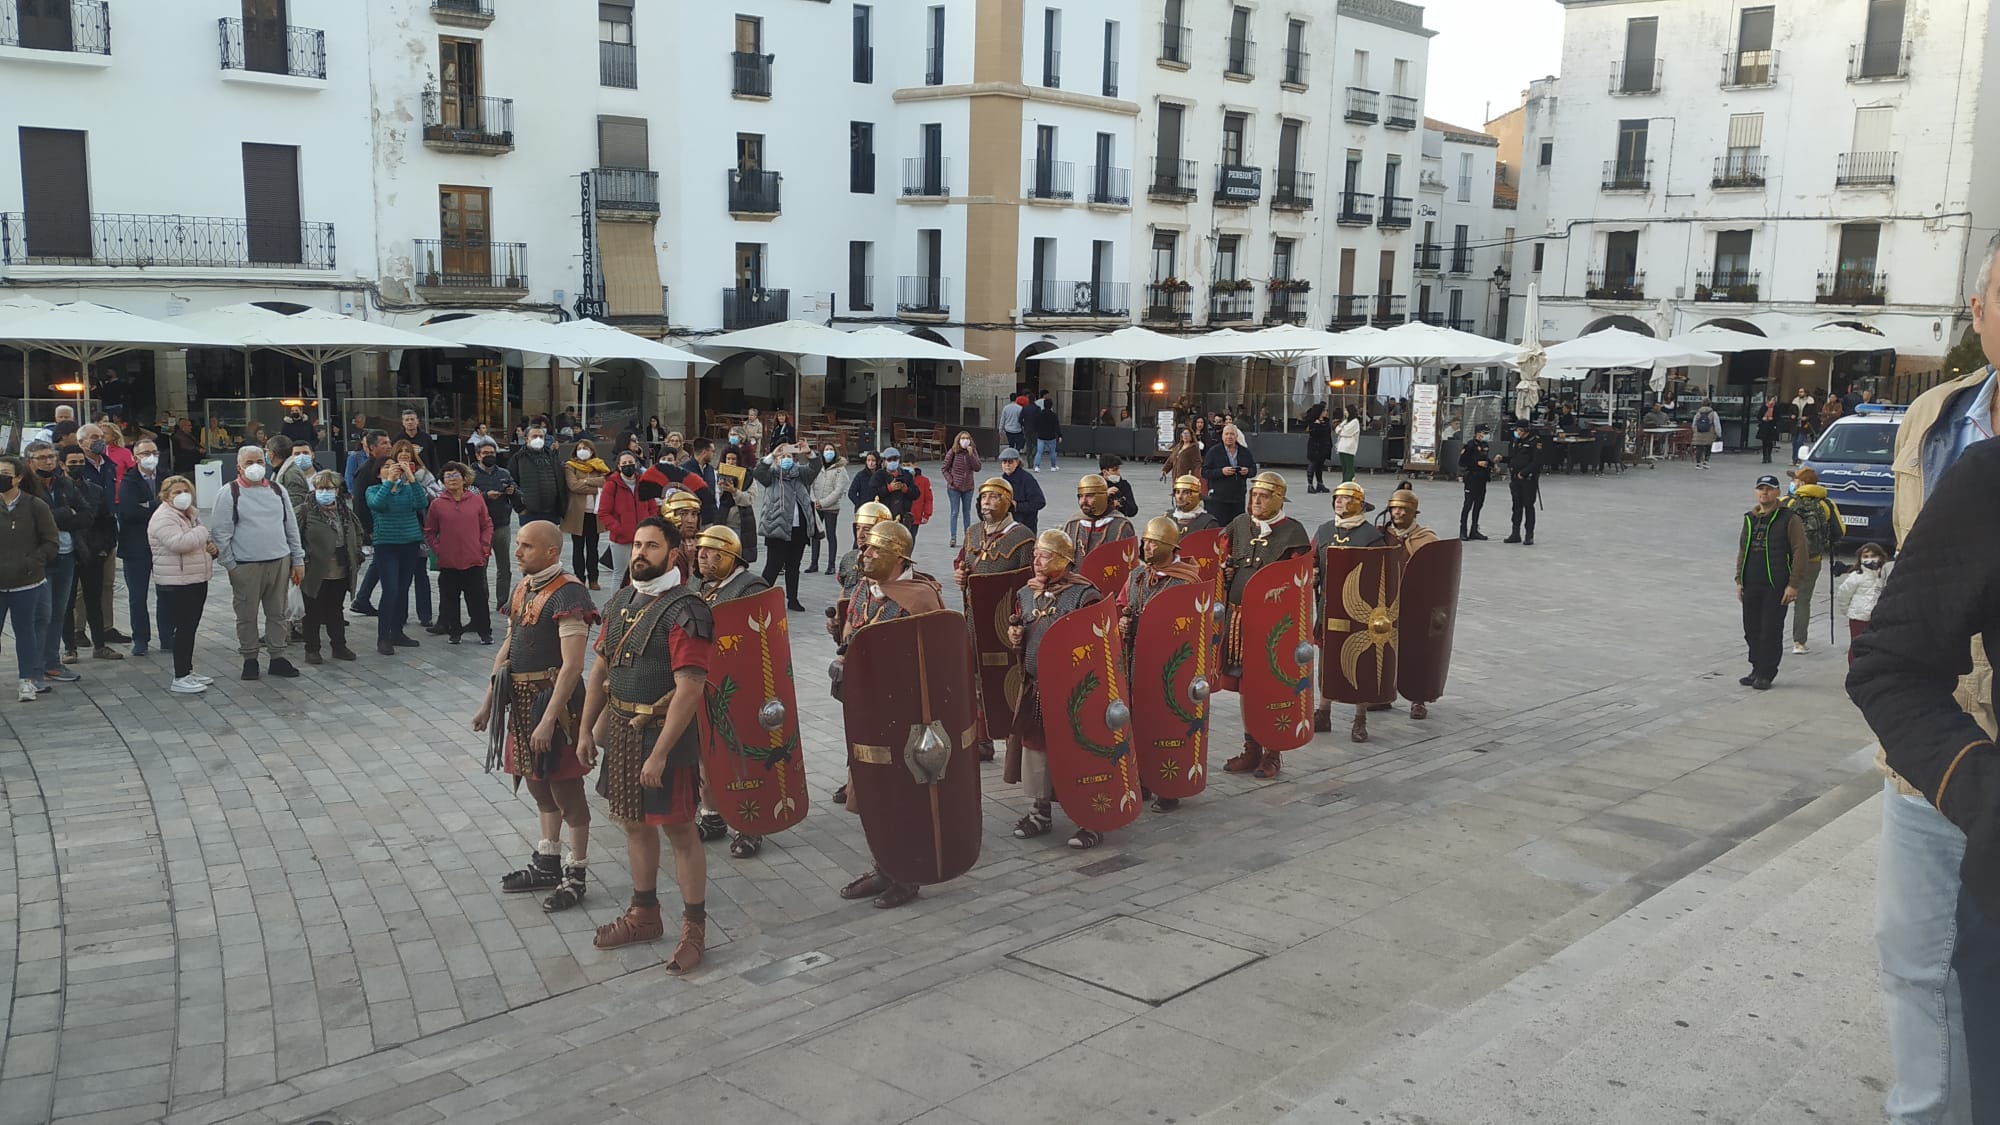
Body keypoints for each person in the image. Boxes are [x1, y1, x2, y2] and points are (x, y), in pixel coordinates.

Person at [576, 516, 714, 973]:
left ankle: (694, 927)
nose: (639, 552)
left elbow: (690, 689)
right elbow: (599, 671)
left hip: (664, 738)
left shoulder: (688, 610)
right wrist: (585, 730)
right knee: (634, 824)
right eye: (637, 544)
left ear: (673, 554)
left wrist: (659, 753)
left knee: (679, 830)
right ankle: (644, 914)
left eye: (651, 546)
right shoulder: (619, 601)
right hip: (620, 731)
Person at [474, 520, 599, 914]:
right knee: (538, 786)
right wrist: (489, 700)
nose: (517, 551)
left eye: (526, 546)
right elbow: (509, 648)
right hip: (522, 702)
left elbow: (573, 665)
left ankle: (575, 873)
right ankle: (547, 861)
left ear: (551, 552)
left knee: (566, 792)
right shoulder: (524, 587)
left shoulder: (570, 594)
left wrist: (549, 719)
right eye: (518, 544)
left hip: (554, 708)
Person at [830, 520, 944, 906]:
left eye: (875, 550)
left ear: (899, 557)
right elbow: (854, 633)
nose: (865, 554)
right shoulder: (864, 587)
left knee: (901, 794)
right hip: (867, 707)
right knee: (872, 790)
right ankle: (884, 865)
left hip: (906, 714)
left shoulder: (921, 598)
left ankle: (907, 873)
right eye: (865, 549)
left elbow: (935, 662)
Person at [1007, 529, 1106, 847]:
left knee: (1078, 753)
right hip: (1038, 687)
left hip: (1075, 690)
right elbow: (1023, 632)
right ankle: (1040, 813)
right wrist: (1016, 639)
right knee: (1037, 750)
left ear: (1064, 560)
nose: (1036, 560)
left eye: (1045, 555)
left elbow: (1097, 642)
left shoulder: (1085, 595)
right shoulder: (1025, 593)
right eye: (1035, 553)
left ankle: (1090, 820)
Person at [1219, 472, 1311, 778]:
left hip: (1275, 625)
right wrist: (1225, 575)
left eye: (1263, 496)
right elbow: (1221, 558)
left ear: (1279, 499)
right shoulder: (1238, 525)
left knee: (1273, 681)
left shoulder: (1293, 533)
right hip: (1239, 618)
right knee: (1247, 684)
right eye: (1253, 495)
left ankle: (1273, 751)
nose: (1255, 501)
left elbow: (1300, 580)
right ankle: (1251, 749)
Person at [691, 525, 772, 857]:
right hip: (703, 681)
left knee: (743, 756)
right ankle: (712, 816)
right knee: (704, 754)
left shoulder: (751, 587)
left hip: (742, 687)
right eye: (700, 551)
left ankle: (751, 826)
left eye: (709, 552)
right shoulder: (699, 584)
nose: (702, 556)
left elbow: (762, 641)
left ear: (728, 557)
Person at [1116, 517, 1203, 811]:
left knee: (1169, 723)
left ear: (1168, 545)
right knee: (1139, 721)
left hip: (1171, 667)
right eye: (1146, 541)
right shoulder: (1137, 576)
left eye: (1153, 542)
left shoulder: (1185, 581)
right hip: (1137, 661)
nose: (1147, 546)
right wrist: (1123, 622)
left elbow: (1193, 627)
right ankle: (1142, 777)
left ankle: (1170, 784)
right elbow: (1121, 605)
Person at [211, 444, 307, 680]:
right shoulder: (229, 492)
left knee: (278, 613)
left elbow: (290, 526)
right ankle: (250, 658)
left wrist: (297, 559)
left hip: (279, 561)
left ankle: (278, 656)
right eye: (249, 463)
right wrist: (231, 566)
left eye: (259, 462)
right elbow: (220, 534)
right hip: (246, 565)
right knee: (247, 614)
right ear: (239, 467)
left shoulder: (277, 490)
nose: (255, 467)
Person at [956, 478, 1035, 762]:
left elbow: (1028, 584)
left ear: (1008, 502)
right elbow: (963, 562)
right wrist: (961, 577)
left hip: (1006, 624)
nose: (986, 503)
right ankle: (982, 739)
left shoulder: (1023, 537)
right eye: (983, 498)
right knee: (977, 679)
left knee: (1010, 681)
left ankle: (1018, 744)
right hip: (974, 619)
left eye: (993, 497)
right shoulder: (973, 532)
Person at [1311, 481, 1386, 738]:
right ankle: (1323, 712)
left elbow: (1380, 576)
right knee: (1326, 663)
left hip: (1359, 612)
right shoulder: (1323, 531)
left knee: (1360, 664)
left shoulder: (1372, 536)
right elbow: (1312, 561)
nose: (1339, 503)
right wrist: (1313, 573)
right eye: (1337, 499)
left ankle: (1360, 718)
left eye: (1346, 499)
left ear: (1360, 504)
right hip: (1329, 607)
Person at [1734, 474, 1806, 691]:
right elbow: (1742, 550)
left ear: (1777, 492)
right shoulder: (1750, 518)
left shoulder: (1789, 519)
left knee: (1770, 629)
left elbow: (1800, 551)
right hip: (1751, 583)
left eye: (1769, 489)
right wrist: (1739, 580)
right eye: (1760, 489)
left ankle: (1766, 673)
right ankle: (1755, 668)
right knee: (1751, 629)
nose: (1764, 492)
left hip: (1776, 584)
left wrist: (1793, 584)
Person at [147, 475, 217, 694]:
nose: (182, 496)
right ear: (165, 496)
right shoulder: (163, 517)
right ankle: (180, 676)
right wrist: (203, 532)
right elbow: (179, 543)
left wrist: (211, 547)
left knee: (191, 627)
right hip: (176, 582)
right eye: (176, 492)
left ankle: (187, 669)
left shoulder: (190, 515)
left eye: (185, 491)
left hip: (195, 577)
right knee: (183, 628)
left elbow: (200, 543)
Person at [0, 455, 58, 703]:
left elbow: (50, 542)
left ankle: (27, 680)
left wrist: (32, 562)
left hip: (27, 582)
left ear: (19, 477)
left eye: (5, 472)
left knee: (26, 632)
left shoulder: (36, 506)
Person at [27, 443, 86, 680]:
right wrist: (65, 513)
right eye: (41, 458)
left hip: (67, 555)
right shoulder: (24, 488)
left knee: (59, 612)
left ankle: (52, 662)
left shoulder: (65, 484)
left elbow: (86, 514)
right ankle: (34, 666)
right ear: (29, 461)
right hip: (40, 559)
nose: (48, 462)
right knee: (42, 614)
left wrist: (58, 517)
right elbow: (31, 522)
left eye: (51, 457)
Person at [364, 451, 430, 657]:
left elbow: (422, 503)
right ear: (378, 473)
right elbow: (377, 505)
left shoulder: (407, 489)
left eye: (395, 466)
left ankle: (397, 632)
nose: (392, 468)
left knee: (403, 589)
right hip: (386, 545)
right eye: (386, 467)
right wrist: (388, 482)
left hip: (409, 543)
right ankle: (383, 636)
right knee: (390, 589)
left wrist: (411, 480)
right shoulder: (373, 489)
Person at [294, 470, 364, 664]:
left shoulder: (345, 511)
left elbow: (357, 533)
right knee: (313, 612)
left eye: (329, 488)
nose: (325, 491)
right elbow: (294, 537)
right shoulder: (304, 511)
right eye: (321, 488)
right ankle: (312, 649)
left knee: (335, 610)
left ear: (337, 490)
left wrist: (356, 552)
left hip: (341, 570)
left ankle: (339, 646)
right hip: (314, 571)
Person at [425, 462, 495, 645]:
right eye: (447, 476)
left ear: (464, 479)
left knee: (478, 599)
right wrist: (438, 550)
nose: (452, 480)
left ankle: (484, 632)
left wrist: (484, 547)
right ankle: (454, 632)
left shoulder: (476, 499)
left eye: (455, 475)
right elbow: (430, 531)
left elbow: (487, 525)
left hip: (474, 559)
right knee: (450, 599)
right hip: (448, 561)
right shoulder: (437, 504)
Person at [71, 426, 125, 655]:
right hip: (85, 536)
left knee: (106, 584)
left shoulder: (108, 465)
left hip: (107, 529)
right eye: (94, 437)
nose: (100, 441)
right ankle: (78, 629)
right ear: (81, 442)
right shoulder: (77, 467)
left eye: (102, 437)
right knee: (83, 589)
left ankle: (106, 627)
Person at [1781, 467, 1844, 655]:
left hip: (1784, 558)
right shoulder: (1827, 504)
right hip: (1812, 559)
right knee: (1803, 600)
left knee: (1776, 597)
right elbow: (1840, 530)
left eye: (1795, 480)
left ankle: (1770, 636)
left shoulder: (1787, 502)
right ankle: (1799, 643)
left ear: (1800, 483)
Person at [472, 442, 518, 610]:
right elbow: (468, 495)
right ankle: (482, 600)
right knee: (480, 566)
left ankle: (502, 601)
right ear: (478, 455)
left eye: (492, 452)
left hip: (502, 524)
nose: (489, 455)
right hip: (480, 527)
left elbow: (516, 491)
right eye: (485, 453)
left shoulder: (504, 473)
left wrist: (513, 491)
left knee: (504, 566)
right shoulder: (471, 474)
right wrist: (485, 496)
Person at [561, 439, 609, 589]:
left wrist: (586, 482)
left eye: (586, 448)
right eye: (580, 448)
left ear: (592, 450)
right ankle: (579, 578)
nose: (583, 450)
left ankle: (593, 578)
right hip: (577, 513)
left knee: (593, 547)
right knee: (578, 547)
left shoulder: (599, 465)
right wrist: (595, 484)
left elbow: (606, 482)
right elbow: (573, 486)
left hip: (594, 514)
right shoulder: (570, 466)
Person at [1834, 542, 1893, 665]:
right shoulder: (1856, 576)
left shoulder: (1884, 574)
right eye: (1865, 556)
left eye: (1873, 556)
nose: (1870, 559)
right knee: (1857, 645)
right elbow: (1843, 594)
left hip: (1878, 618)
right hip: (1859, 617)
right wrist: (1848, 610)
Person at [599, 450, 644, 586]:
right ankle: (615, 606)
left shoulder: (643, 483)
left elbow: (651, 506)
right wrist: (619, 529)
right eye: (624, 463)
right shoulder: (611, 485)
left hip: (642, 537)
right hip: (621, 539)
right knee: (620, 575)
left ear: (636, 464)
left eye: (630, 462)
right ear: (619, 466)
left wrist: (648, 524)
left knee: (641, 574)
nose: (628, 465)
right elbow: (603, 513)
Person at [1063, 473, 1136, 557]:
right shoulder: (1073, 523)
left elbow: (1128, 561)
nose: (1083, 501)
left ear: (1102, 497)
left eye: (1089, 496)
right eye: (1080, 496)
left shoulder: (1121, 525)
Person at [509, 426, 567, 528]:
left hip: (551, 511)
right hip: (529, 512)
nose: (538, 439)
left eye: (541, 436)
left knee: (551, 541)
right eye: (535, 436)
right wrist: (519, 508)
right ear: (527, 439)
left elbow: (560, 480)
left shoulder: (551, 456)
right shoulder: (518, 458)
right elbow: (511, 484)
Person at [1202, 423, 1257, 525]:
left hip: (1238, 499)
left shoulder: (1244, 452)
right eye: (1226, 434)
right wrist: (1221, 471)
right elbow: (1205, 472)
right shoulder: (1214, 451)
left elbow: (1253, 470)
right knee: (1218, 528)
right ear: (1222, 436)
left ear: (1236, 436)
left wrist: (1247, 471)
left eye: (1232, 434)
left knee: (1237, 527)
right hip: (1218, 499)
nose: (1229, 437)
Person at [1502, 421, 1546, 545]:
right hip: (1515, 478)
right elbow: (1514, 458)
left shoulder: (1535, 442)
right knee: (1516, 507)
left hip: (1528, 479)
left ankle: (1529, 535)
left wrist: (1524, 472)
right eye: (1517, 430)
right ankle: (1515, 533)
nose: (1518, 433)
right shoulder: (1517, 441)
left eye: (1520, 430)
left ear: (1526, 430)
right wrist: (1503, 459)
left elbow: (1537, 462)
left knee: (1528, 506)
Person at [807, 445, 847, 575]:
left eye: (831, 450)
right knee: (815, 535)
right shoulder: (817, 467)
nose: (828, 452)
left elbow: (838, 490)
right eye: (826, 450)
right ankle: (814, 563)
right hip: (817, 505)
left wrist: (823, 503)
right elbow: (810, 485)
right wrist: (814, 501)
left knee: (831, 535)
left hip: (831, 507)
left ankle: (831, 565)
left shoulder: (840, 469)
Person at [941, 430, 980, 548]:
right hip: (954, 488)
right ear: (958, 440)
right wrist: (951, 481)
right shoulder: (953, 452)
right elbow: (944, 468)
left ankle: (967, 538)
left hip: (968, 487)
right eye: (962, 438)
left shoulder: (972, 451)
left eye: (967, 438)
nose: (965, 440)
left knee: (967, 513)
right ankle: (953, 537)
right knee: (954, 512)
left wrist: (971, 454)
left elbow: (977, 467)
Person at [1381, 483, 1439, 559]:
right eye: (1394, 508)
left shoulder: (1428, 539)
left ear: (1413, 513)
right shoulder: (1382, 534)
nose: (1396, 512)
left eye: (1402, 508)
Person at [997, 448, 1046, 531]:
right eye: (1004, 462)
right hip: (1006, 525)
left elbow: (1039, 502)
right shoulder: (1001, 481)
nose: (1007, 465)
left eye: (1010, 462)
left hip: (1025, 525)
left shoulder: (1027, 479)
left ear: (1017, 462)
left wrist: (1017, 506)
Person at [1457, 424, 1492, 540]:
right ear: (1478, 433)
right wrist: (1476, 464)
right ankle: (1463, 531)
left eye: (1487, 433)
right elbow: (1462, 462)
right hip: (1472, 478)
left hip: (1482, 479)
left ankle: (1474, 530)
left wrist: (1493, 465)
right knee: (1468, 505)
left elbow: (1486, 459)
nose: (1485, 435)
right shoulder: (1470, 445)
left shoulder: (1485, 445)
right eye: (1484, 432)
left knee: (1478, 505)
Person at [871, 446, 919, 530]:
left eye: (895, 459)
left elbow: (916, 494)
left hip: (902, 517)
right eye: (889, 460)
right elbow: (871, 493)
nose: (892, 462)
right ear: (884, 461)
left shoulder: (906, 475)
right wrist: (888, 488)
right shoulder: (879, 475)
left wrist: (906, 490)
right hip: (884, 516)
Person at [1304, 405, 1333, 493]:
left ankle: (1320, 484)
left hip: (1324, 446)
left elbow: (1327, 433)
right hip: (1315, 447)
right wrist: (1317, 425)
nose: (1326, 412)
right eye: (1324, 410)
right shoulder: (1313, 422)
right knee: (1313, 464)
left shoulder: (1326, 422)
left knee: (1320, 465)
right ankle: (1310, 484)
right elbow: (1313, 433)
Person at [1032, 393, 1063, 471]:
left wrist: (1036, 431)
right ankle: (1053, 466)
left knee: (1039, 452)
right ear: (1051, 406)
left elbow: (1035, 424)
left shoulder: (1039, 414)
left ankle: (1037, 466)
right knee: (1052, 452)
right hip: (1051, 436)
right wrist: (1059, 435)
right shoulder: (1054, 415)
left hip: (1041, 436)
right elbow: (1057, 426)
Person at [1335, 406, 1363, 483]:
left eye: (1346, 410)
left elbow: (1346, 432)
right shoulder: (1346, 421)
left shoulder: (1355, 422)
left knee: (1348, 467)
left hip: (1349, 447)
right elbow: (1337, 429)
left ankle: (1348, 481)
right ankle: (1344, 480)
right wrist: (1341, 428)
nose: (1345, 412)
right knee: (1344, 467)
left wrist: (1341, 429)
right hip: (1341, 447)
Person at [1691, 400, 1720, 468]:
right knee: (1708, 447)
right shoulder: (1713, 413)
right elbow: (1717, 424)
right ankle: (1705, 462)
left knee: (1699, 447)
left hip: (1699, 432)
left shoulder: (1698, 413)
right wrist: (1719, 434)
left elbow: (1693, 424)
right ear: (1710, 404)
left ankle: (1698, 463)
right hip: (1709, 433)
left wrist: (1695, 431)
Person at [1000, 391, 1027, 457]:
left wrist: (1000, 429)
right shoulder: (1020, 408)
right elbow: (1022, 419)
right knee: (1018, 444)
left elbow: (1003, 419)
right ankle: (1016, 455)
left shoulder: (1006, 408)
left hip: (1008, 429)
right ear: (1016, 398)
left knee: (1011, 444)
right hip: (1017, 429)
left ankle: (1011, 456)